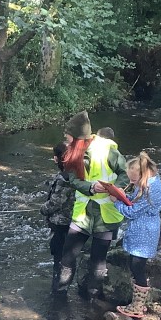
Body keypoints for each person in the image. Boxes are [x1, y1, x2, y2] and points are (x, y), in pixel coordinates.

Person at [54, 111, 129, 300]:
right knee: (67, 256)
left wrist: (114, 188)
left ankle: (93, 297)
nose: (66, 139)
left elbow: (125, 173)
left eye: (68, 136)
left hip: (106, 215)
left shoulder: (108, 150)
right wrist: (91, 187)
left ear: (78, 137)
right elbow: (73, 180)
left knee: (98, 259)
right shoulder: (72, 153)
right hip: (82, 214)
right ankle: (60, 294)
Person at [114, 153, 161, 317]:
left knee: (138, 267)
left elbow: (133, 212)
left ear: (142, 175)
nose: (132, 183)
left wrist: (116, 202)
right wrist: (123, 196)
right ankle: (137, 302)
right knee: (134, 264)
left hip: (145, 232)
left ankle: (137, 306)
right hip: (140, 230)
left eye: (134, 180)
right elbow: (134, 200)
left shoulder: (150, 189)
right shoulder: (147, 182)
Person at [39, 142, 75, 291]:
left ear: (57, 158)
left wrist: (43, 209)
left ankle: (59, 289)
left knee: (59, 257)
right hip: (73, 222)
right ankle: (63, 286)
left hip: (61, 224)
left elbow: (56, 202)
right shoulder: (76, 172)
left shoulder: (63, 177)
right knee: (67, 256)